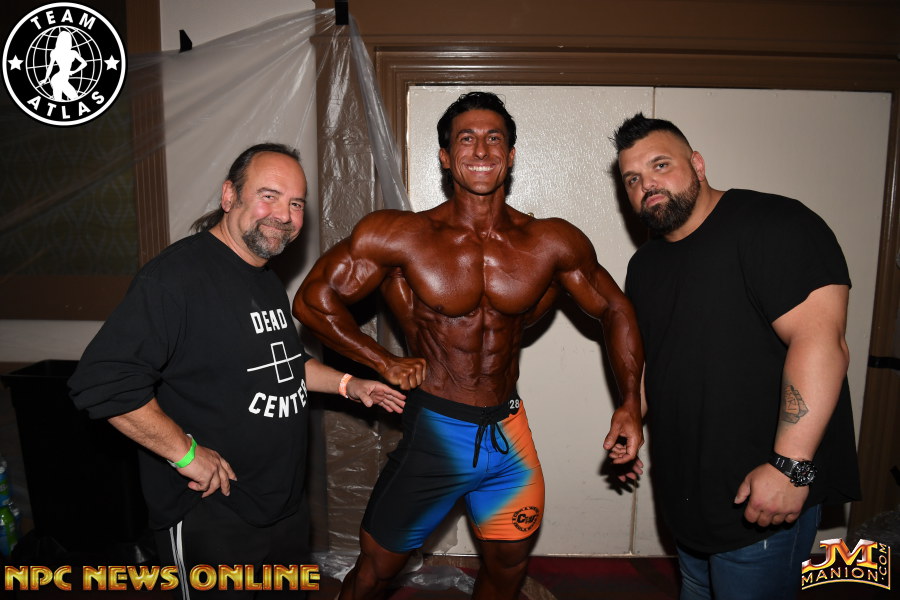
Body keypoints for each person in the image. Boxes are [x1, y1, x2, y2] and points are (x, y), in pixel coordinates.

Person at [293, 91, 645, 600]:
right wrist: (382, 360)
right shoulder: (402, 235)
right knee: (375, 574)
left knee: (507, 569)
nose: (481, 150)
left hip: (508, 435)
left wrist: (630, 403)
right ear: (444, 156)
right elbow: (312, 300)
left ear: (511, 154)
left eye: (494, 138)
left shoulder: (549, 241)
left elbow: (616, 308)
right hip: (436, 433)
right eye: (466, 139)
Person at [69, 143, 406, 597]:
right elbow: (102, 382)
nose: (283, 215)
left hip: (282, 508)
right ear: (229, 196)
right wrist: (186, 454)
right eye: (269, 196)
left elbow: (283, 363)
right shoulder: (175, 278)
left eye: (296, 203)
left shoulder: (264, 277)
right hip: (213, 513)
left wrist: (350, 384)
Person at [613, 113, 861, 599]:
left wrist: (790, 467)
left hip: (762, 493)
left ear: (698, 164)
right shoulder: (645, 265)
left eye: (660, 165)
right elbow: (654, 358)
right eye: (632, 179)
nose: (647, 185)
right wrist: (631, 411)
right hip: (687, 495)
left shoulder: (775, 224)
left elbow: (821, 343)